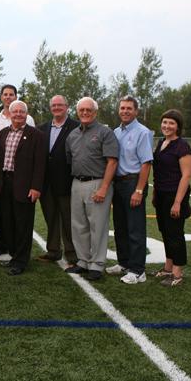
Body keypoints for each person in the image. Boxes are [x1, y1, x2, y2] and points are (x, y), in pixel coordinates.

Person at [65, 97, 119, 281]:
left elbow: (112, 161)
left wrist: (104, 187)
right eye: (82, 110)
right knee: (79, 225)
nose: (85, 113)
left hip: (98, 182)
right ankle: (83, 261)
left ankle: (97, 264)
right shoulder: (72, 135)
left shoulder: (105, 132)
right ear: (77, 112)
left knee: (97, 226)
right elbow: (69, 160)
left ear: (95, 112)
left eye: (89, 110)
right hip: (77, 183)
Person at [0, 101, 46, 276]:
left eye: (21, 112)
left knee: (23, 224)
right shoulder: (2, 134)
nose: (17, 114)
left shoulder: (36, 135)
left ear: (26, 114)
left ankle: (21, 261)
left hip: (24, 185)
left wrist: (36, 187)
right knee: (8, 223)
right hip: (4, 184)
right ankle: (14, 256)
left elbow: (40, 164)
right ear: (9, 113)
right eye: (14, 111)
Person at [107, 95, 154, 284]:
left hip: (133, 183)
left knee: (135, 229)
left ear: (136, 111)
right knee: (120, 227)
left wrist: (139, 190)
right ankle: (124, 263)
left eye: (129, 108)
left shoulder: (142, 132)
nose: (125, 111)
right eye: (122, 108)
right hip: (118, 183)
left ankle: (137, 270)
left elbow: (146, 164)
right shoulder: (116, 132)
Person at [151, 109, 191, 287]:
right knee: (165, 232)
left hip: (175, 195)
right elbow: (158, 172)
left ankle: (177, 273)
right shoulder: (161, 143)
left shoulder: (182, 146)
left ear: (178, 127)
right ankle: (168, 267)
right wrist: (155, 193)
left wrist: (177, 202)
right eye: (165, 122)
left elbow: (186, 176)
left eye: (171, 123)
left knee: (175, 233)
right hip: (161, 194)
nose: (167, 126)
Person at [0, 84, 35, 258]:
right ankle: (3, 246)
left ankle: (19, 253)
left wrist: (34, 184)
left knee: (20, 218)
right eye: (5, 94)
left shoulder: (30, 124)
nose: (8, 96)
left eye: (12, 94)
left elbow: (34, 155)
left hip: (21, 177)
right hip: (1, 175)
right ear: (1, 97)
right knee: (3, 215)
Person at [37, 95, 79, 267]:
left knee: (69, 221)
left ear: (67, 106)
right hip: (46, 183)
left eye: (60, 105)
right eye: (53, 105)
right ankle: (53, 251)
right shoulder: (42, 128)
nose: (56, 108)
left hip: (67, 182)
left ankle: (72, 254)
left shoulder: (76, 126)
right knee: (51, 218)